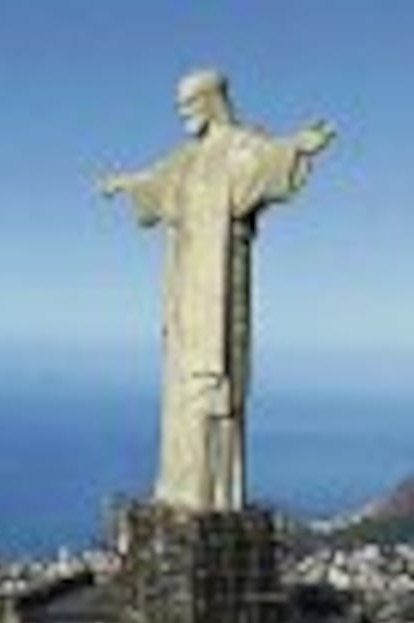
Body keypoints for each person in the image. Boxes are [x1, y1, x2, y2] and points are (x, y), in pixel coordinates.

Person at [100, 70, 333, 511]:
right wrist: (124, 184)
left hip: (222, 281)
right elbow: (156, 182)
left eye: (189, 103)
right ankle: (180, 490)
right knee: (181, 393)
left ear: (211, 100)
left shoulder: (241, 145)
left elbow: (268, 161)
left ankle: (214, 495)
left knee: (216, 384)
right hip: (185, 284)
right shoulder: (186, 158)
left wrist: (298, 147)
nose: (183, 113)